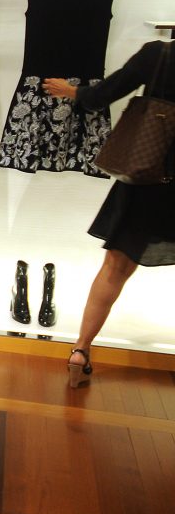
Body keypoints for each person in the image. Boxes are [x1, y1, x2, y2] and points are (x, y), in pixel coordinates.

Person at [44, 40, 175, 387]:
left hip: (149, 180)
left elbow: (105, 93)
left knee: (115, 268)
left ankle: (80, 351)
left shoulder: (160, 54)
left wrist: (73, 92)